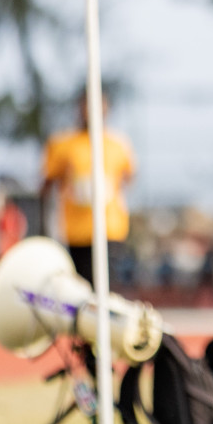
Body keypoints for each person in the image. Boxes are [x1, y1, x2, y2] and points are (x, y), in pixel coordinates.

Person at [41, 92, 136, 284]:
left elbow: (129, 177)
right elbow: (47, 183)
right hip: (77, 231)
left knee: (108, 283)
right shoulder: (63, 144)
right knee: (84, 285)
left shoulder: (117, 143)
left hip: (110, 227)